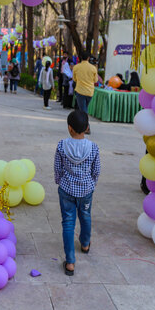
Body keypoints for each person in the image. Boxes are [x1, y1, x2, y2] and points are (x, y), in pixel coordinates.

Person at [55, 110, 100, 276]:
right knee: (86, 216)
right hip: (86, 190)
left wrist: (60, 181)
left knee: (68, 222)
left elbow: (57, 168)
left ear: (70, 128)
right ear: (87, 127)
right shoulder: (93, 147)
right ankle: (85, 243)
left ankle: (71, 262)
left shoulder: (61, 145)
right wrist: (91, 184)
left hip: (66, 190)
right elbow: (96, 170)